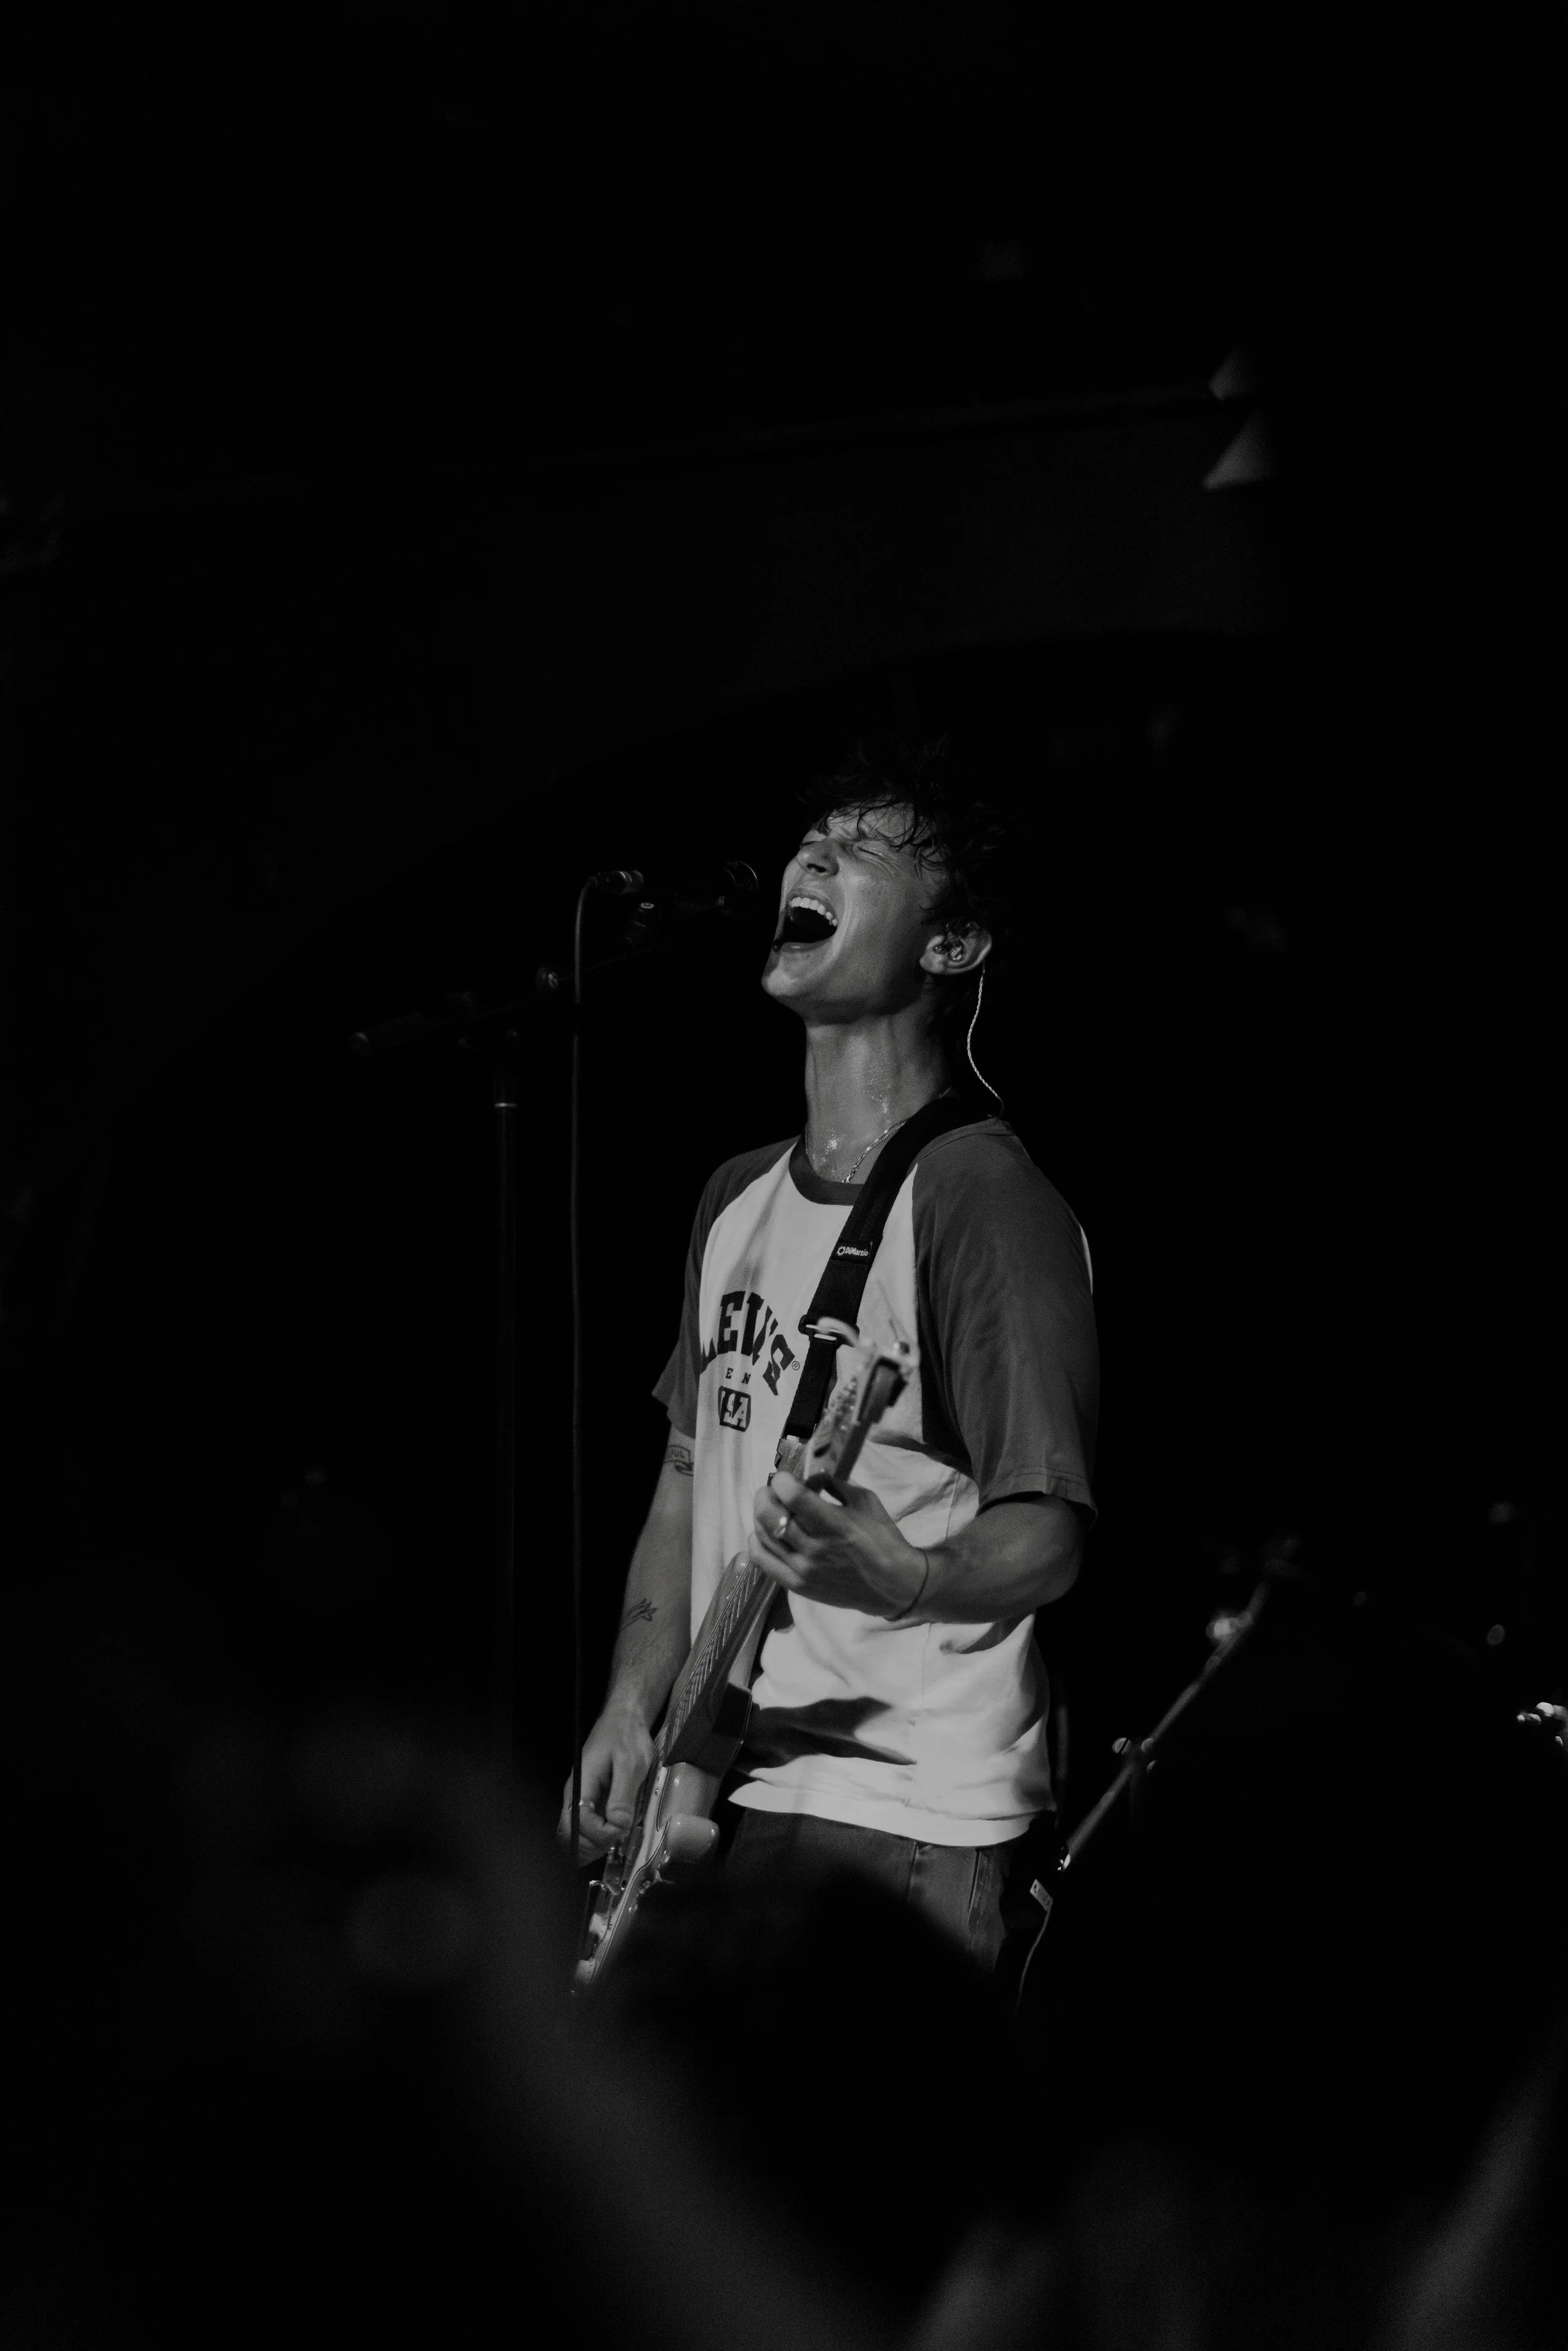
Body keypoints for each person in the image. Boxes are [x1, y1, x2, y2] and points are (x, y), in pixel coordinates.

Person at [560, 740, 1099, 1967]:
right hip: (728, 1791)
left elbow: (1046, 1530)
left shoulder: (983, 1203)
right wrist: (632, 1702)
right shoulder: (735, 1196)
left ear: (950, 944)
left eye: (865, 852)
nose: (814, 856)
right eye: (816, 842)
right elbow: (685, 1481)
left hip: (898, 1814)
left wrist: (903, 1569)